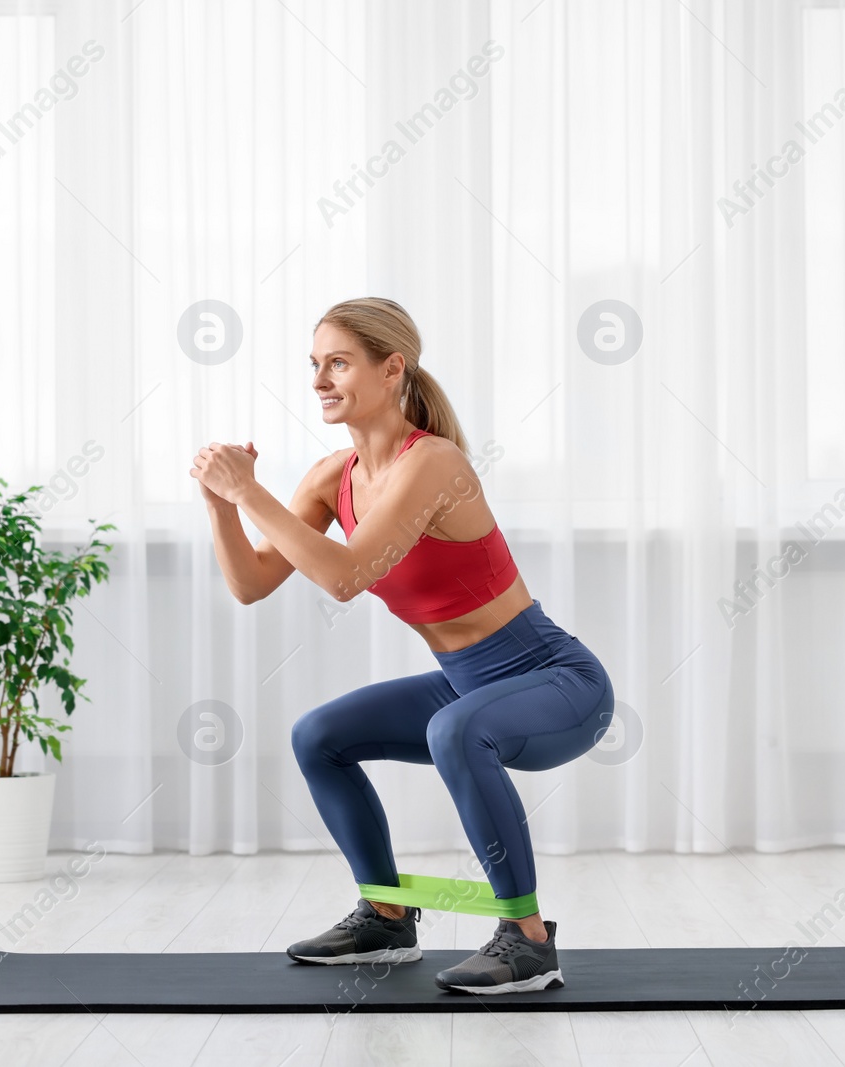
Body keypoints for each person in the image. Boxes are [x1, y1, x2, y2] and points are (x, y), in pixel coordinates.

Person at [190, 297, 614, 995]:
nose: (321, 378)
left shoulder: (434, 463)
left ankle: (529, 939)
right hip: (466, 684)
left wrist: (250, 489)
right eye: (315, 364)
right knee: (318, 734)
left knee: (455, 727)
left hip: (556, 682)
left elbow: (347, 574)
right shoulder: (333, 477)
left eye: (338, 362)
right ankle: (386, 916)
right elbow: (252, 582)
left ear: (392, 370)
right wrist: (221, 503)